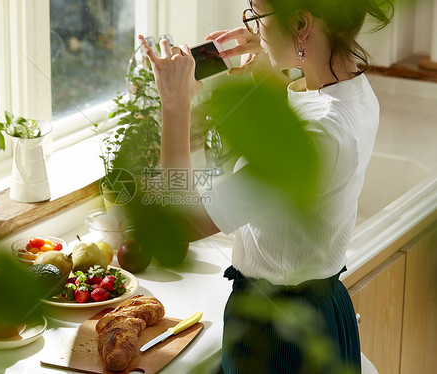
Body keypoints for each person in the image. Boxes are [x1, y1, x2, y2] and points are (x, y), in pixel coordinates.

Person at [138, 0, 393, 372]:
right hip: (319, 309)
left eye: (257, 15)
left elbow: (178, 224)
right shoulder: (353, 92)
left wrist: (174, 105)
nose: (252, 27)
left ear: (302, 23)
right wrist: (270, 52)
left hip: (276, 334)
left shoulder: (320, 135)